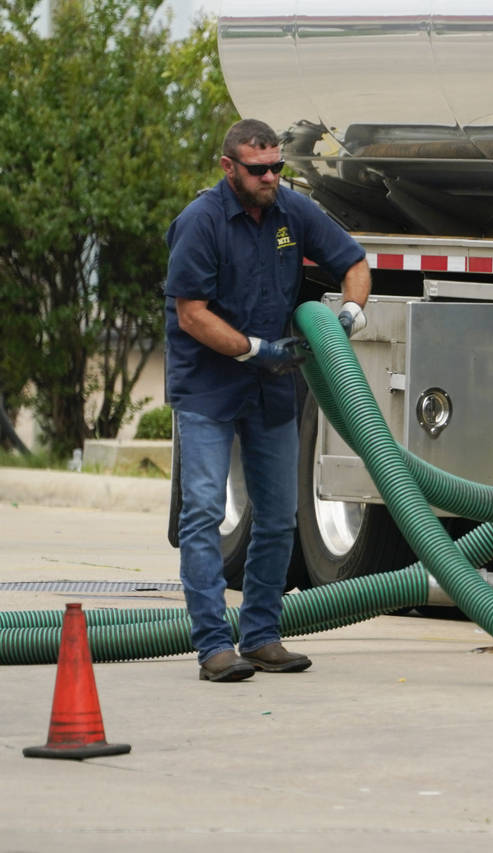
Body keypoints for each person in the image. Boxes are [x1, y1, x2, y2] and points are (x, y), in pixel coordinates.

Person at [164, 118, 370, 682]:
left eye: (278, 166)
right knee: (204, 512)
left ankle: (259, 636)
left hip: (271, 385)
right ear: (229, 166)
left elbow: (354, 262)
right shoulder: (201, 223)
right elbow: (191, 313)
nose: (271, 177)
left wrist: (349, 314)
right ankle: (212, 646)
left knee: (279, 516)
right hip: (209, 388)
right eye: (259, 169)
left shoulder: (291, 212)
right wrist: (254, 348)